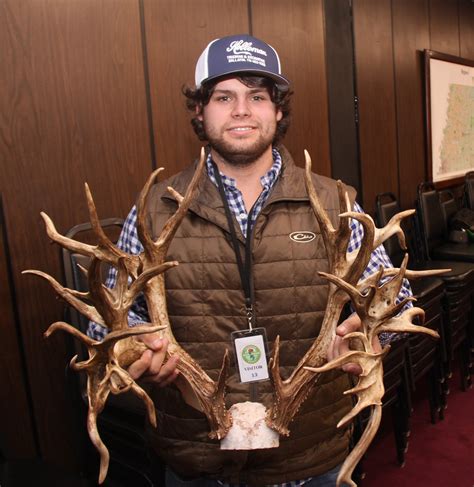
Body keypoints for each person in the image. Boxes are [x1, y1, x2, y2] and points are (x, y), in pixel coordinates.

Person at [88, 34, 412, 486]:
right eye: (224, 96)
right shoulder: (152, 212)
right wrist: (138, 353)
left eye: (256, 96)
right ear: (200, 111)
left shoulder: (336, 203)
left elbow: (395, 301)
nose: (241, 110)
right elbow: (106, 330)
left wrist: (366, 339)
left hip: (312, 453)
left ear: (278, 110)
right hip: (197, 458)